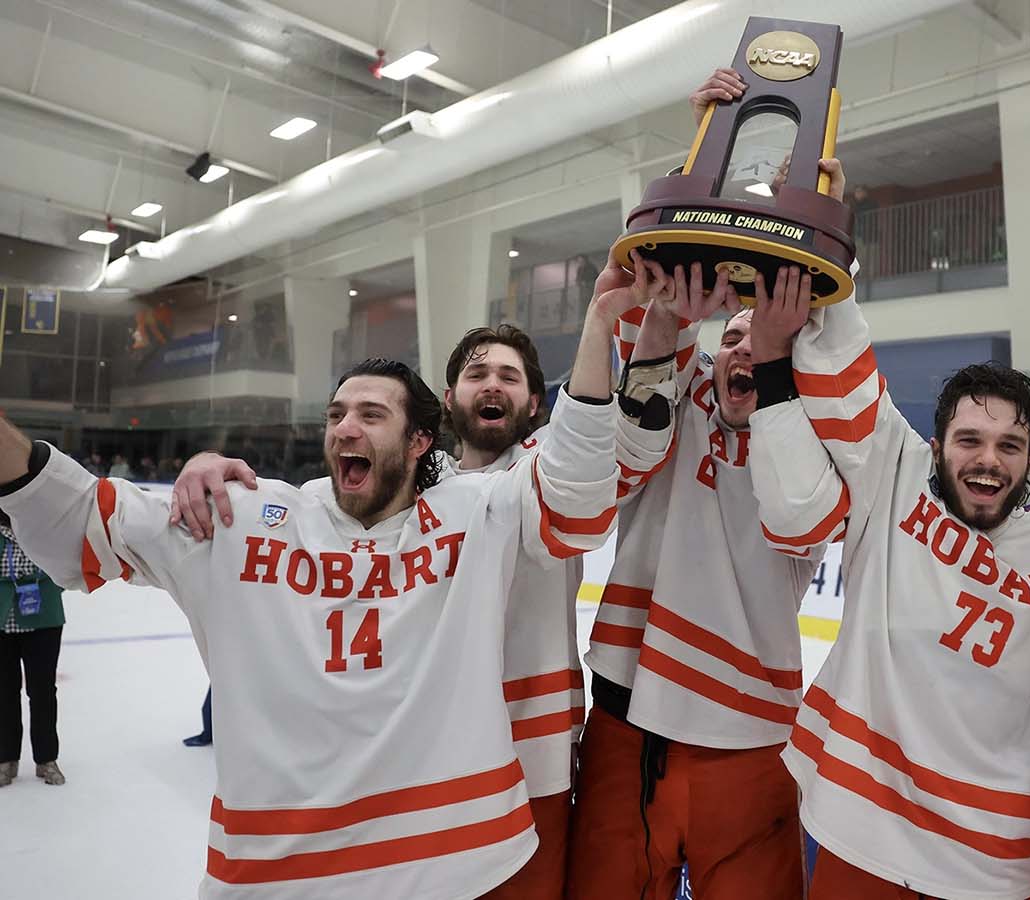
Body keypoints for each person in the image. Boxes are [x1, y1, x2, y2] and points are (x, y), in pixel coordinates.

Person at [0, 264, 653, 898]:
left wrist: (601, 322)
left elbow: (575, 489)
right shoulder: (245, 515)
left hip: (463, 847)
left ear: (421, 439)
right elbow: (76, 514)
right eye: (337, 413)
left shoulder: (481, 509)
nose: (346, 426)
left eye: (371, 414)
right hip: (285, 871)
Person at [175, 263, 717, 900]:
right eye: (477, 374)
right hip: (423, 757)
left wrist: (658, 325)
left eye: (510, 377)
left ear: (535, 404)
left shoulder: (552, 471)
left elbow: (628, 443)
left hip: (531, 747)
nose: (493, 385)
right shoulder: (405, 492)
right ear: (449, 399)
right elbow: (310, 509)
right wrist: (206, 463)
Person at [747, 252, 1030, 898]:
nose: (988, 461)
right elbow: (844, 364)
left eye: (1009, 447)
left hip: (997, 864)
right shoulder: (894, 473)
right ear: (936, 446)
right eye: (969, 440)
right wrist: (824, 236)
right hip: (864, 834)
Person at [566, 72, 838, 900]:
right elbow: (625, 456)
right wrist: (712, 144)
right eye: (735, 333)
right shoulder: (673, 390)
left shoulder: (811, 440)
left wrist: (824, 205)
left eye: (767, 339)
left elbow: (800, 523)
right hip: (624, 715)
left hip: (750, 731)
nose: (745, 347)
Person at [0, 510, 67, 786]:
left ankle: (46, 759)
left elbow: (65, 567)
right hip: (3, 620)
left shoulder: (43, 525)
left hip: (45, 618)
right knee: (3, 691)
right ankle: (6, 759)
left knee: (43, 691)